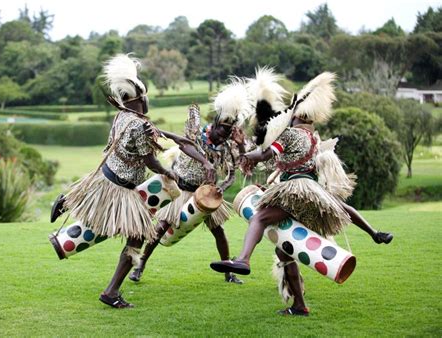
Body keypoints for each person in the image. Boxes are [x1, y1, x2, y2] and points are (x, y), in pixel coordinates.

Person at [211, 70, 393, 316]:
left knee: (260, 218)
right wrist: (372, 232)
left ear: (296, 115)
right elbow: (342, 208)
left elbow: (264, 156)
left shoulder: (290, 134)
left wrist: (246, 156)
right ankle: (299, 305)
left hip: (295, 191)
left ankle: (242, 259)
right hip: (313, 193)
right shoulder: (313, 139)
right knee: (284, 252)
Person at [50, 54, 213, 309]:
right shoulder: (138, 126)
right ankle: (111, 292)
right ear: (141, 98)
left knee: (100, 219)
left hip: (105, 180)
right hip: (121, 190)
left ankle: (67, 201)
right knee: (137, 236)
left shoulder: (122, 116)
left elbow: (150, 135)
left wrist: (182, 142)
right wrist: (170, 174)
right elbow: (150, 161)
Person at [129, 80, 253, 284]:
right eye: (222, 132)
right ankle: (140, 265)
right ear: (215, 125)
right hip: (181, 189)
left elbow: (236, 170)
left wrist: (223, 184)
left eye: (228, 134)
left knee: (219, 231)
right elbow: (186, 146)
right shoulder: (197, 135)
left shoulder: (228, 145)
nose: (224, 137)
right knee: (160, 228)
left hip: (204, 194)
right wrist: (206, 162)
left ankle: (228, 273)